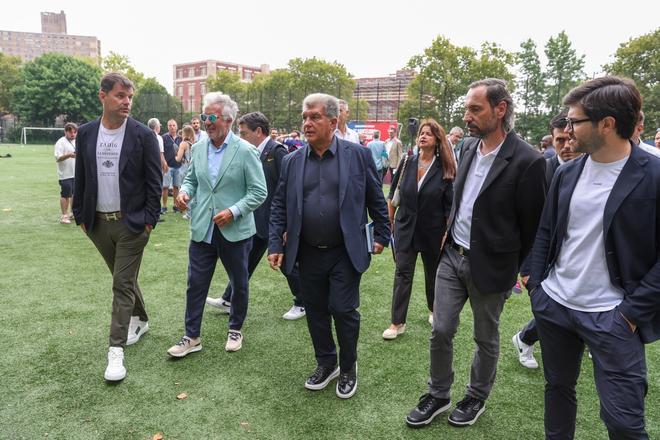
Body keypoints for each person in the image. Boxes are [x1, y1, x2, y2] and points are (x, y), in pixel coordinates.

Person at [405, 78, 546, 428]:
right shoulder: (467, 147)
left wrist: (515, 264)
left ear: (500, 110)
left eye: (475, 109)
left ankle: (476, 397)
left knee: (485, 336)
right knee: (441, 328)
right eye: (467, 109)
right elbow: (458, 196)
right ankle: (439, 394)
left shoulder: (529, 160)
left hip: (493, 265)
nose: (467, 116)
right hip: (451, 256)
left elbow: (533, 224)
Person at [527, 76, 659, 440]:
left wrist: (632, 313)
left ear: (607, 124)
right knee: (557, 391)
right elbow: (546, 231)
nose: (566, 130)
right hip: (555, 305)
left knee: (624, 423)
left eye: (574, 121)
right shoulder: (566, 172)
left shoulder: (654, 176)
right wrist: (538, 286)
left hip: (614, 315)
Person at [268, 93, 390, 399]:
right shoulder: (293, 160)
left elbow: (376, 197)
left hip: (345, 251)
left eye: (315, 117)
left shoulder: (357, 156)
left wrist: (382, 235)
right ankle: (327, 363)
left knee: (343, 308)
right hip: (306, 251)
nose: (307, 123)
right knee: (316, 311)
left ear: (333, 122)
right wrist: (274, 242)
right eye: (305, 117)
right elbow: (279, 205)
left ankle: (348, 367)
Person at [72, 72, 162, 381]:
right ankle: (142, 319)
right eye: (120, 96)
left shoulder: (143, 135)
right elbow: (81, 176)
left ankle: (116, 351)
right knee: (123, 278)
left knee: (121, 284)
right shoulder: (85, 133)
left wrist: (149, 223)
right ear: (103, 96)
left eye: (130, 97)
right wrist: (79, 215)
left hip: (132, 225)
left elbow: (155, 182)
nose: (126, 102)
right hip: (97, 223)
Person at [168, 93, 266, 356]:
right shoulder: (198, 148)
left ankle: (235, 328)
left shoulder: (246, 150)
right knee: (195, 283)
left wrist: (233, 211)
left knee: (239, 282)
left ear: (229, 119)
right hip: (203, 228)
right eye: (204, 117)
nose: (206, 122)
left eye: (211, 117)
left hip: (235, 230)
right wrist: (184, 193)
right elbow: (191, 180)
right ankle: (191, 337)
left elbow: (259, 192)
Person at [205, 112, 306, 320]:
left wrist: (286, 224)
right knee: (246, 260)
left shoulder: (277, 151)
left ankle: (302, 302)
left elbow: (288, 188)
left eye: (244, 133)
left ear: (258, 132)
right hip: (258, 218)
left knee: (287, 263)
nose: (240, 137)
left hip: (276, 221)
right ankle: (228, 298)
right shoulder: (251, 152)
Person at [512, 112, 581, 369]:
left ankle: (526, 338)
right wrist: (527, 268)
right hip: (544, 259)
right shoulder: (541, 169)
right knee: (551, 311)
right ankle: (525, 338)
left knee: (564, 311)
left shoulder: (591, 169)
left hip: (577, 258)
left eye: (570, 138)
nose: (566, 146)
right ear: (551, 140)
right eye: (560, 140)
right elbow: (529, 222)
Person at [382, 119, 455, 340]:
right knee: (402, 274)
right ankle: (397, 323)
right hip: (405, 228)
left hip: (433, 232)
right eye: (421, 133)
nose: (423, 136)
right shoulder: (407, 161)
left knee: (433, 274)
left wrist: (446, 233)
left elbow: (449, 206)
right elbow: (393, 195)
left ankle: (433, 310)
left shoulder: (445, 167)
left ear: (437, 140)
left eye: (428, 134)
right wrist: (391, 222)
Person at [54, 122, 77, 224]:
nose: (73, 134)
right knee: (66, 195)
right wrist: (69, 155)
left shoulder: (77, 141)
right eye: (70, 132)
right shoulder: (61, 142)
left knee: (75, 194)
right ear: (65, 132)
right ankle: (64, 216)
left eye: (75, 132)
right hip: (65, 175)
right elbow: (58, 158)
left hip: (76, 173)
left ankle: (73, 213)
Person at [162, 119, 183, 212]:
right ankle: (164, 206)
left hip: (178, 166)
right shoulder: (164, 137)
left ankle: (175, 205)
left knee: (176, 186)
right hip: (168, 166)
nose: (172, 127)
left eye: (174, 125)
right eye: (170, 125)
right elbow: (161, 152)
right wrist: (163, 163)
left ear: (177, 126)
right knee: (165, 186)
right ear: (167, 127)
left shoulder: (181, 138)